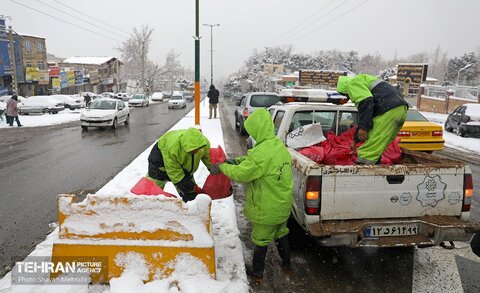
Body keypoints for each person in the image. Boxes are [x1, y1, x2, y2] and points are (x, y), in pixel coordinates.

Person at [211, 109, 293, 283]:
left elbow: (244, 174)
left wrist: (223, 167)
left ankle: (257, 273)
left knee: (261, 240)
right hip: (282, 204)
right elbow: (254, 163)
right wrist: (236, 161)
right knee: (281, 232)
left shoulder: (261, 152)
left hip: (267, 208)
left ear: (258, 129)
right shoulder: (276, 145)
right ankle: (287, 264)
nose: (250, 134)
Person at [336, 74, 409, 165]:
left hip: (387, 110)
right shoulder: (364, 81)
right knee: (378, 146)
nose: (348, 98)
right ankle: (376, 169)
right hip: (400, 110)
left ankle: (364, 174)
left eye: (345, 96)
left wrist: (363, 128)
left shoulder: (351, 84)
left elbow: (366, 102)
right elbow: (366, 115)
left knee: (368, 152)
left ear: (344, 91)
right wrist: (355, 140)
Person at [147, 127, 212, 202]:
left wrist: (212, 168)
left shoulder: (203, 143)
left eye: (197, 149)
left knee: (191, 195)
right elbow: (175, 174)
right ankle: (147, 206)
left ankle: (191, 207)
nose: (195, 151)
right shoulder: (173, 149)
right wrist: (190, 186)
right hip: (160, 161)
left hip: (181, 164)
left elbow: (207, 156)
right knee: (151, 194)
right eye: (193, 150)